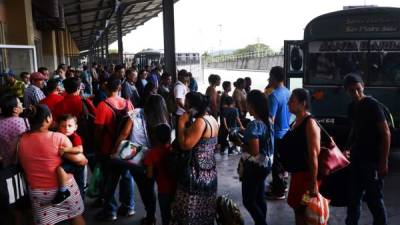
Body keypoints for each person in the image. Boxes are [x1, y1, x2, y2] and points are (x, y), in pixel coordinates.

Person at [18, 104, 87, 225]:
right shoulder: (58, 138)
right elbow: (82, 160)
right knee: (76, 217)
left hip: (38, 192)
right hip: (65, 189)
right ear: (48, 119)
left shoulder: (20, 139)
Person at [344, 73, 390, 225]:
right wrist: (347, 148)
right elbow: (354, 129)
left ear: (363, 85)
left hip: (372, 162)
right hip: (357, 160)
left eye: (358, 89)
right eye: (351, 91)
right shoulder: (351, 107)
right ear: (347, 91)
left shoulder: (372, 105)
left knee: (374, 200)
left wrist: (383, 162)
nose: (356, 93)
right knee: (353, 199)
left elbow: (386, 133)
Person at [170, 92, 219, 225]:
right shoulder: (212, 119)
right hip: (210, 171)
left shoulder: (201, 122)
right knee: (205, 211)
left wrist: (180, 122)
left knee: (189, 212)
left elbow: (185, 145)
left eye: (187, 104)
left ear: (192, 107)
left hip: (195, 173)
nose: (184, 106)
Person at [94, 77, 135, 221]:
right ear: (119, 88)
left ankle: (111, 211)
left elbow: (99, 129)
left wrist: (97, 144)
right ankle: (128, 206)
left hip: (108, 148)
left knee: (108, 179)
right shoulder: (128, 104)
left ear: (105, 88)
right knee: (126, 176)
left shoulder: (102, 106)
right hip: (125, 147)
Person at [280, 88, 320, 225]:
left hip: (306, 179)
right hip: (298, 176)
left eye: (292, 101)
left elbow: (314, 154)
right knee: (298, 208)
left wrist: (313, 183)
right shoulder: (297, 121)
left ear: (303, 104)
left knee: (304, 208)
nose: (288, 103)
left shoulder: (309, 123)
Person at [237, 90, 273, 225]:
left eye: (247, 104)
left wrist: (240, 143)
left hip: (254, 167)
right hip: (266, 164)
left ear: (253, 105)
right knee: (259, 198)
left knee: (248, 201)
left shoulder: (254, 125)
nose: (246, 107)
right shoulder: (268, 120)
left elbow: (254, 150)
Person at [266, 66, 292, 200]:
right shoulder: (288, 92)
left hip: (276, 135)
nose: (269, 79)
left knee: (276, 164)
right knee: (282, 163)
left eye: (270, 77)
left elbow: (271, 120)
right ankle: (283, 185)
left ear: (275, 78)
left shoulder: (274, 95)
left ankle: (278, 191)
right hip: (286, 132)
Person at [144, 123, 176, 225]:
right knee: (177, 215)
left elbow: (149, 175)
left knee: (165, 216)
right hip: (177, 188)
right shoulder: (173, 149)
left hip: (163, 191)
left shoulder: (152, 153)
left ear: (156, 137)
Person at [53, 114, 86, 204]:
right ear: (59, 127)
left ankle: (63, 192)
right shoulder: (59, 135)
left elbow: (80, 149)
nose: (66, 128)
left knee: (79, 185)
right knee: (75, 184)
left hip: (76, 164)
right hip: (70, 162)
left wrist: (66, 149)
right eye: (63, 126)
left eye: (69, 126)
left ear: (75, 127)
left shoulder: (75, 137)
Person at [0, 95, 28, 168]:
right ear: (15, 109)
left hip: (6, 163)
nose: (22, 104)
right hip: (21, 162)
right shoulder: (22, 122)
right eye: (19, 103)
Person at [173, 69, 190, 135]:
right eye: (185, 76)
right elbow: (179, 101)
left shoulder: (183, 85)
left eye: (187, 76)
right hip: (181, 113)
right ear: (180, 77)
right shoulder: (179, 86)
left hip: (183, 112)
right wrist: (187, 109)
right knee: (180, 133)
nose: (187, 78)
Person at [218, 81, 232, 154]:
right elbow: (223, 106)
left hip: (224, 115)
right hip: (225, 116)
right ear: (227, 87)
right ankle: (222, 148)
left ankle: (222, 146)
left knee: (223, 131)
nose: (231, 87)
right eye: (230, 86)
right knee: (224, 131)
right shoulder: (225, 96)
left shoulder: (224, 95)